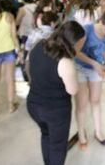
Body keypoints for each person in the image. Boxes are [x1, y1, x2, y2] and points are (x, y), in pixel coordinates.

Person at [27, 21, 85, 165]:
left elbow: (29, 70)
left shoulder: (39, 45)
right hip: (55, 111)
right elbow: (72, 90)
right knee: (58, 146)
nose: (81, 46)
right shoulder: (65, 62)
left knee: (46, 135)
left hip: (33, 104)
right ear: (73, 43)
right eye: (80, 43)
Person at [75, 9, 105, 149]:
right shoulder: (86, 30)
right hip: (80, 68)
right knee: (81, 104)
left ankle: (98, 132)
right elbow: (76, 52)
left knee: (95, 101)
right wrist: (94, 63)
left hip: (96, 69)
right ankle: (81, 133)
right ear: (101, 21)